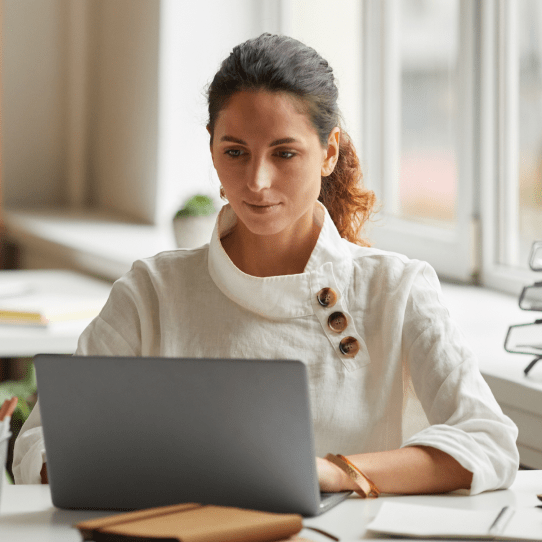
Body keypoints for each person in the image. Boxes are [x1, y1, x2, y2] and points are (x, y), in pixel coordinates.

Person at [14, 33, 518, 496]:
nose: (256, 181)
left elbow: (488, 442)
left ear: (328, 152)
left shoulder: (397, 288)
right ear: (212, 147)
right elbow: (39, 445)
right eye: (235, 152)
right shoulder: (153, 291)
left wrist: (332, 472)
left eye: (284, 153)